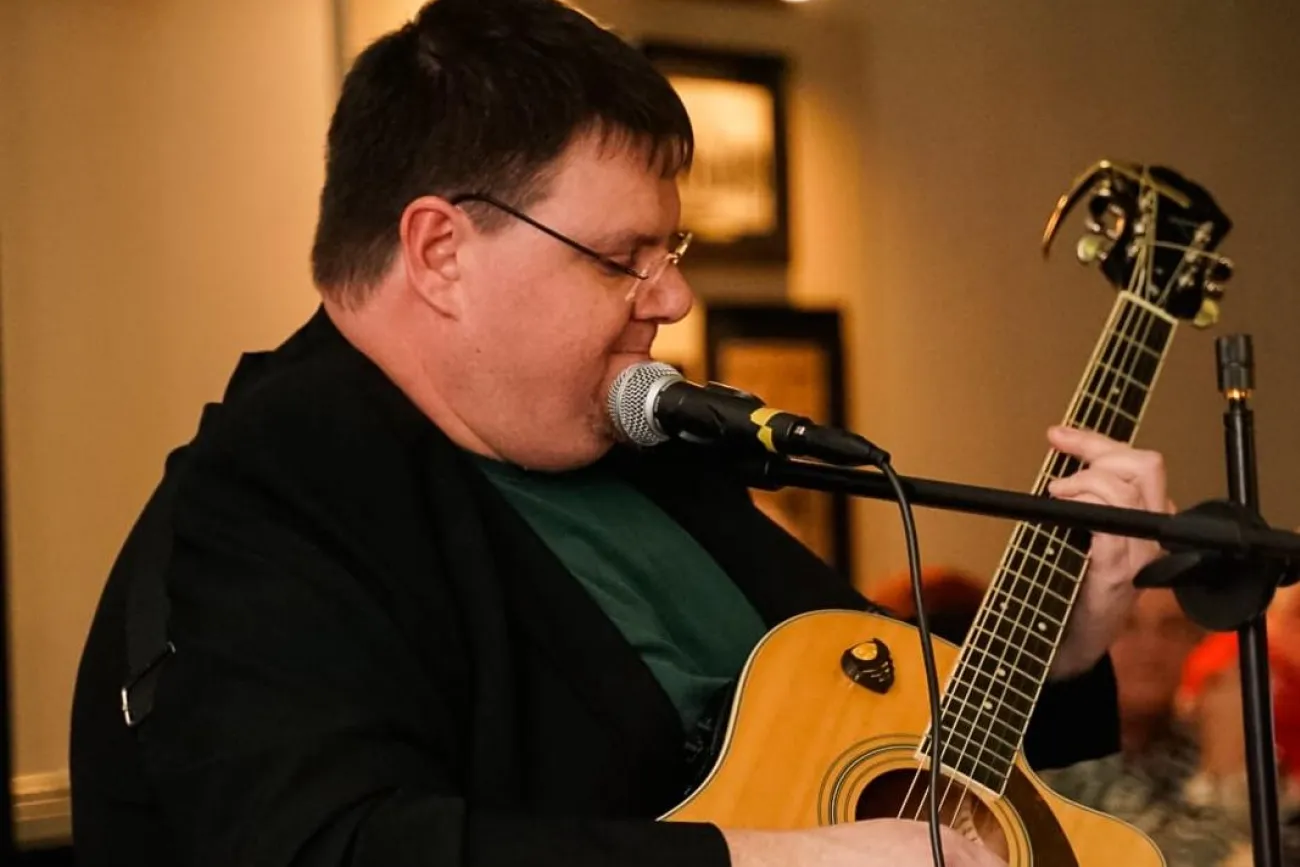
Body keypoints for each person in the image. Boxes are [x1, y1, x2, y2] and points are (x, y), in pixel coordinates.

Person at [67, 1, 1173, 865]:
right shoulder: (269, 495)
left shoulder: (637, 457)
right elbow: (337, 847)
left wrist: (1064, 648)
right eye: (621, 256)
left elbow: (876, 754)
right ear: (441, 251)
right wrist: (785, 861)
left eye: (672, 252)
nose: (673, 300)